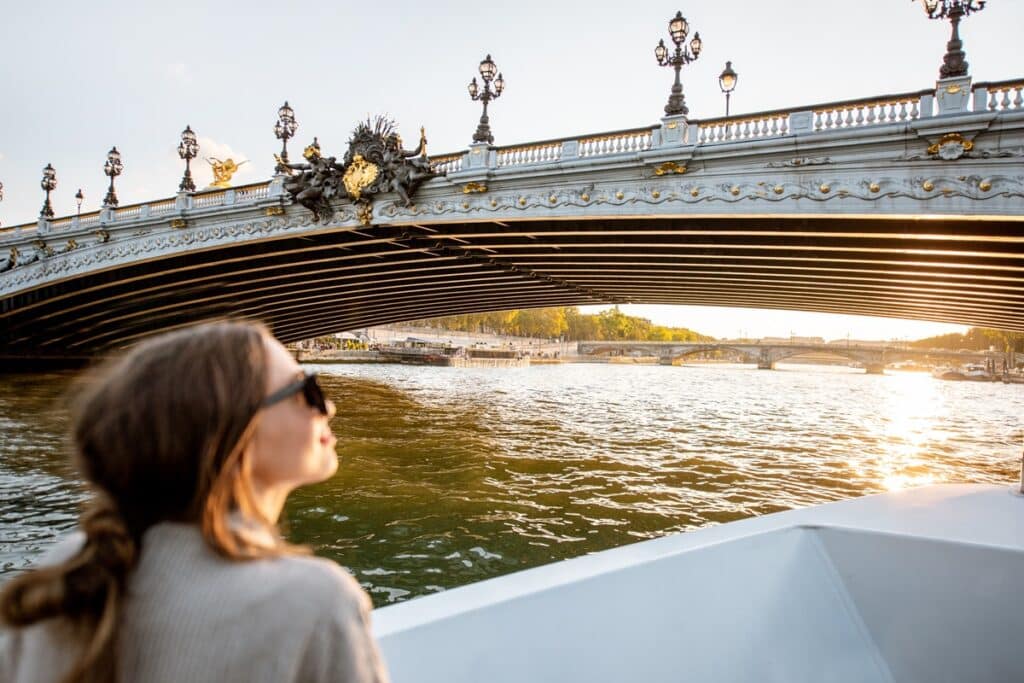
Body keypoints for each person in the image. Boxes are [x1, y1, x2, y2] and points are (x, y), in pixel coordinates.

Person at [0, 321, 389, 683]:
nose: (329, 408)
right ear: (236, 433)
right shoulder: (316, 601)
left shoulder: (64, 570)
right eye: (306, 389)